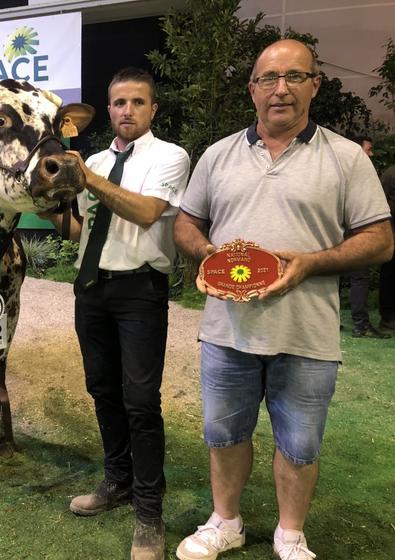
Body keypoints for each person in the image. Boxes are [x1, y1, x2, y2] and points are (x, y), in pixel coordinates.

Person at [173, 40, 393, 560]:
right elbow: (186, 222)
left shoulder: (345, 159)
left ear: (315, 84)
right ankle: (226, 522)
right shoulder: (218, 154)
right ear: (252, 89)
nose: (281, 89)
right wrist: (208, 256)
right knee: (224, 434)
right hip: (228, 331)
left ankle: (290, 535)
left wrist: (312, 262)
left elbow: (381, 239)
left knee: (300, 444)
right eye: (269, 78)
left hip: (308, 332)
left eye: (295, 76)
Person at [50, 67, 190, 560]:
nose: (126, 110)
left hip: (139, 292)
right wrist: (50, 204)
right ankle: (117, 482)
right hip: (92, 288)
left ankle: (149, 512)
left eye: (137, 102)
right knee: (103, 391)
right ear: (107, 109)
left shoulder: (170, 157)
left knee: (140, 402)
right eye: (118, 103)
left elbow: (148, 213)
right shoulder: (92, 159)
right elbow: (83, 231)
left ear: (153, 109)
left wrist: (85, 177)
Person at [347, 136, 390, 338]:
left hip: (345, 232)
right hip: (355, 233)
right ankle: (360, 324)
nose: (371, 154)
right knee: (359, 277)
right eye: (369, 149)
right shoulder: (355, 171)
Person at [379, 164, 395, 332]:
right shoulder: (391, 174)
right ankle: (387, 318)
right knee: (390, 277)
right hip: (392, 234)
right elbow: (380, 202)